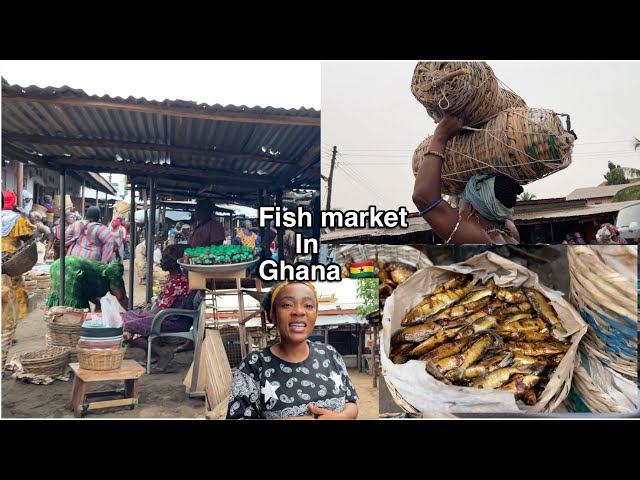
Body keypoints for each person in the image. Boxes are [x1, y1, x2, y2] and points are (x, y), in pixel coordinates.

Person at [227, 281, 359, 419]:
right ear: (273, 315)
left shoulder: (330, 354)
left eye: (308, 305)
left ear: (315, 314)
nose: (299, 311)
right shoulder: (254, 365)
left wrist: (342, 417)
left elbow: (351, 402)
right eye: (287, 305)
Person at [412, 114, 524, 244]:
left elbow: (422, 197)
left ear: (471, 209)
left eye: (462, 199)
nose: (458, 207)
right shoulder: (510, 232)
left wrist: (440, 136)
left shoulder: (478, 238)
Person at [123, 244, 195, 360]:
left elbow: (162, 308)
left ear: (172, 263)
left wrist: (144, 315)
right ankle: (151, 352)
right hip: (167, 316)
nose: (161, 261)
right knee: (127, 316)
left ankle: (160, 352)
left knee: (125, 327)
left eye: (164, 259)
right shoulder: (173, 278)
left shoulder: (177, 282)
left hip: (173, 320)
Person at [46, 257, 129, 310]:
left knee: (63, 298)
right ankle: (67, 328)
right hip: (70, 268)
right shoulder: (113, 276)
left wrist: (99, 305)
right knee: (73, 308)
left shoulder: (100, 271)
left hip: (57, 264)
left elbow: (90, 295)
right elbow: (121, 298)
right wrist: (132, 313)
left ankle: (59, 322)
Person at [2, 191, 35, 320]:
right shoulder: (17, 219)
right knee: (14, 293)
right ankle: (9, 331)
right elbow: (30, 240)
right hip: (11, 262)